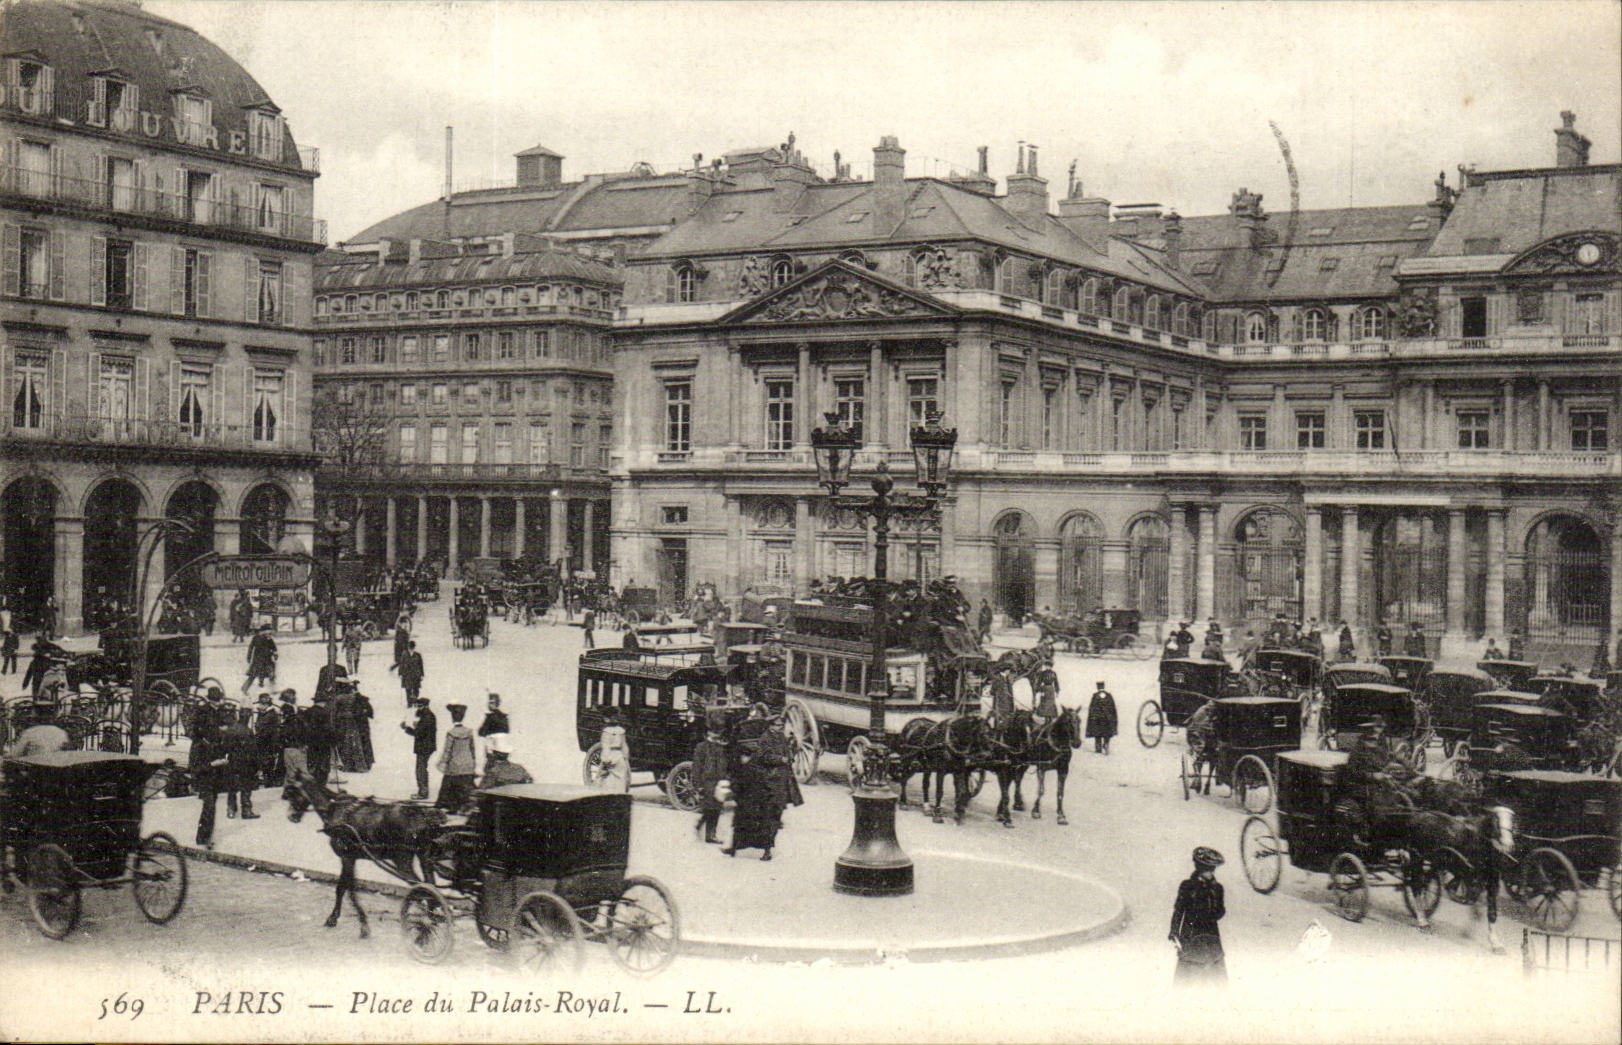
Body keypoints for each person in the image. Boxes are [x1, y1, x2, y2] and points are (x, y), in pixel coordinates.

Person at [1169, 847, 1227, 985]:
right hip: (1191, 935)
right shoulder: (1187, 886)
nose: (1211, 874)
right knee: (1188, 977)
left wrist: (1215, 906)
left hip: (1211, 936)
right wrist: (1174, 932)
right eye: (1208, 870)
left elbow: (1220, 912)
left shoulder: (1217, 888)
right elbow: (1179, 910)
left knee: (1216, 978)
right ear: (1200, 869)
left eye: (1212, 870)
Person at [723, 741, 778, 860]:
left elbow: (739, 786)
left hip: (751, 804)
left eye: (743, 756)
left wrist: (733, 788)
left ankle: (735, 849)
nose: (741, 758)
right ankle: (763, 852)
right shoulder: (757, 769)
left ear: (747, 756)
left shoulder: (746, 770)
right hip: (756, 803)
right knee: (755, 827)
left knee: (743, 826)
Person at [190, 698, 230, 848]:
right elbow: (195, 767)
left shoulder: (213, 743)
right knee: (209, 808)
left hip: (213, 779)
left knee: (211, 808)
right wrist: (212, 764)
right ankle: (203, 838)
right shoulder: (199, 745)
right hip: (204, 780)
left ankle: (205, 837)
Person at [692, 719, 729, 844]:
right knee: (710, 807)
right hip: (707, 782)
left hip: (719, 782)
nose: (716, 735)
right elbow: (697, 767)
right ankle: (708, 833)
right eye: (714, 733)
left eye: (718, 733)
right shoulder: (701, 747)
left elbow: (725, 764)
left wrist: (725, 778)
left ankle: (708, 832)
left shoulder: (721, 748)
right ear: (708, 733)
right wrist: (698, 785)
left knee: (716, 808)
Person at [436, 703, 478, 811]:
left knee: (447, 783)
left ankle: (448, 804)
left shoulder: (451, 733)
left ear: (452, 718)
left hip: (455, 765)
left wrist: (442, 763)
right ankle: (464, 804)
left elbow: (447, 751)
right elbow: (473, 749)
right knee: (466, 786)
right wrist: (473, 762)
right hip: (468, 765)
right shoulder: (469, 732)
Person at [223, 706, 261, 820]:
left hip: (233, 760)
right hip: (246, 761)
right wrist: (257, 765)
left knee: (232, 787)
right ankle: (246, 810)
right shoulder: (248, 731)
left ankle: (231, 809)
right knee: (246, 787)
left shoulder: (231, 729)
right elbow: (253, 749)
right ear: (248, 718)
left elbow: (225, 746)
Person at [402, 697, 437, 801]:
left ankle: (423, 792)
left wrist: (407, 728)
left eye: (420, 706)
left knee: (420, 769)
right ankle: (423, 791)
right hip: (427, 746)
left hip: (424, 746)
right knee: (421, 768)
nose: (418, 708)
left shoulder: (427, 717)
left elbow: (419, 733)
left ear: (425, 706)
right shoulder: (427, 715)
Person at [596, 710, 631, 792]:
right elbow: (624, 746)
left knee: (606, 779)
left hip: (610, 756)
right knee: (621, 779)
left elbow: (605, 746)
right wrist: (625, 758)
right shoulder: (621, 731)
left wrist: (605, 760)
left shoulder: (606, 731)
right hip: (619, 756)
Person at [4, 721, 70, 758]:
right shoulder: (61, 732)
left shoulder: (29, 732)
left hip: (35, 769)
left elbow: (16, 754)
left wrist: (3, 757)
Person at [1085, 681, 1118, 754]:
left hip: (1098, 719)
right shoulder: (1109, 696)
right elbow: (1113, 708)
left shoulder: (1095, 696)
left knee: (1098, 734)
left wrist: (1092, 719)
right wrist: (1112, 718)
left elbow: (1092, 708)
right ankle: (1106, 744)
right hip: (1107, 719)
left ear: (1097, 687)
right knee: (1107, 733)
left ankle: (1098, 748)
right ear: (1103, 687)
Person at [244, 626, 277, 694]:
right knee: (253, 675)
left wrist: (275, 654)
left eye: (270, 632)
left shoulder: (269, 638)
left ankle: (273, 690)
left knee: (271, 675)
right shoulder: (257, 638)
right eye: (268, 632)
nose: (269, 634)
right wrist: (249, 657)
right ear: (263, 631)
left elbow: (273, 647)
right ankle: (244, 688)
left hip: (267, 660)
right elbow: (251, 647)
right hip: (258, 660)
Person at [393, 640, 424, 706]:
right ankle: (409, 703)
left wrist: (422, 674)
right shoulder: (404, 654)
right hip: (407, 674)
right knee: (408, 689)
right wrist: (400, 673)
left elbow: (421, 665)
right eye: (410, 647)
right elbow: (401, 664)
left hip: (416, 674)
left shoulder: (418, 655)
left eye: (412, 647)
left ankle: (415, 701)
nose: (411, 649)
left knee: (416, 689)